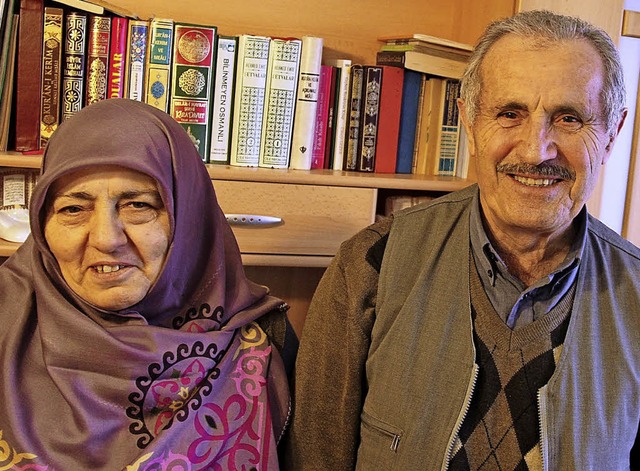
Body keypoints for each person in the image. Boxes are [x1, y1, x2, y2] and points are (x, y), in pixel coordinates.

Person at [284, 9, 640, 470]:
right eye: (509, 114)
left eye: (569, 119)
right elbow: (314, 459)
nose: (536, 149)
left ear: (611, 134)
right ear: (470, 125)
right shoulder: (371, 265)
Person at [0, 98, 297, 470]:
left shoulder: (263, 343)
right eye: (73, 209)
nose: (107, 238)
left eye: (138, 205)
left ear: (188, 218)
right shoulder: (7, 323)